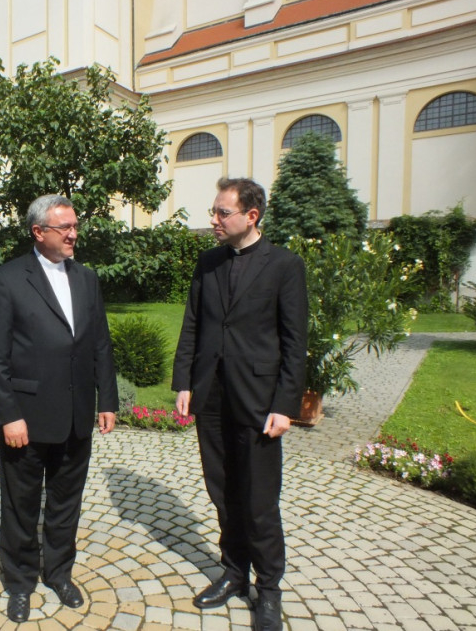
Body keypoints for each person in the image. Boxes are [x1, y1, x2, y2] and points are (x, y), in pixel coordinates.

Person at [172, 177, 307, 631]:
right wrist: (184, 381)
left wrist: (285, 405)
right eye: (213, 211)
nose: (213, 219)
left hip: (259, 401)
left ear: (251, 216)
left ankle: (268, 589)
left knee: (259, 499)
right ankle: (234, 573)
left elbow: (295, 342)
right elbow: (193, 324)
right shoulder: (208, 262)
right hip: (211, 396)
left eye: (222, 212)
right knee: (223, 491)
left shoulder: (284, 265)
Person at [0, 194, 118, 623]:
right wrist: (9, 415)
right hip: (27, 416)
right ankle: (20, 582)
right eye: (65, 227)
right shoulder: (8, 278)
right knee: (21, 505)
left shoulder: (87, 278)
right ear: (39, 232)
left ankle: (59, 572)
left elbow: (99, 342)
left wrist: (107, 399)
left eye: (76, 226)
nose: (74, 234)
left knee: (65, 502)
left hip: (77, 414)